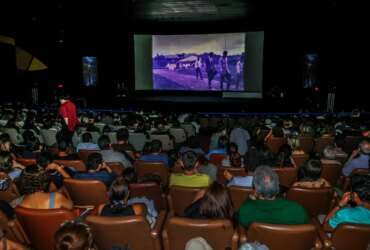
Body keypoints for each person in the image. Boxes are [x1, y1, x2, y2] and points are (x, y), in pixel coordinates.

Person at [238, 165, 310, 227]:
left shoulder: (246, 211)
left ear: (256, 191)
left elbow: (242, 220)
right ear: (277, 187)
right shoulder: (298, 210)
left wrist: (249, 200)